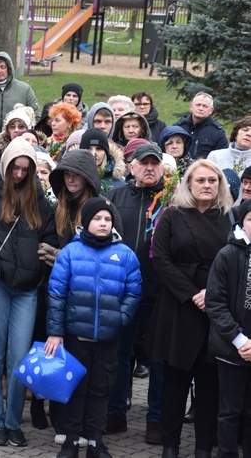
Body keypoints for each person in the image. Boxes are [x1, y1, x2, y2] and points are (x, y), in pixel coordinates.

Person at [147, 159, 233, 458]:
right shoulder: (171, 216)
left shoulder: (229, 218)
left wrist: (211, 294)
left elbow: (235, 262)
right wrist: (193, 294)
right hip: (179, 306)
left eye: (212, 180)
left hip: (216, 308)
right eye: (201, 180)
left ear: (220, 185)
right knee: (174, 382)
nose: (207, 185)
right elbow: (161, 260)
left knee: (210, 384)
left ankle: (202, 448)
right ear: (189, 184)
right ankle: (170, 446)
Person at [46, 198, 142, 458]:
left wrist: (119, 320)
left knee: (101, 389)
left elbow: (133, 292)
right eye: (97, 219)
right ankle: (71, 442)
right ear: (85, 222)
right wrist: (55, 331)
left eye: (107, 219)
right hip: (76, 335)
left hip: (108, 338)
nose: (103, 224)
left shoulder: (125, 255)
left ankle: (96, 442)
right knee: (76, 388)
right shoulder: (69, 253)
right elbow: (56, 294)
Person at [0, 137, 57, 448]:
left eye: (26, 169)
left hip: (26, 288)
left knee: (19, 358)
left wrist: (46, 254)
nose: (20, 175)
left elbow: (50, 236)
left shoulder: (40, 202)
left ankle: (13, 421)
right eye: (16, 168)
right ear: (6, 164)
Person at [103, 144, 166, 445]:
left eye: (155, 163)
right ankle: (115, 413)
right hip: (121, 291)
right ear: (132, 167)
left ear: (163, 168)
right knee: (118, 354)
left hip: (160, 293)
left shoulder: (170, 200)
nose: (149, 168)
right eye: (144, 163)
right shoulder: (115, 197)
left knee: (159, 359)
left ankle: (156, 419)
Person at [206, 198, 251, 458]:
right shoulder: (227, 254)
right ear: (242, 223)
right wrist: (240, 341)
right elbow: (215, 302)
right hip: (231, 348)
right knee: (229, 411)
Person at [0, 51, 40, 133]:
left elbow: (36, 116)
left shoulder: (25, 89)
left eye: (3, 67)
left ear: (9, 69)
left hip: (16, 140)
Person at [174, 92, 228, 159]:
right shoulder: (179, 127)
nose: (201, 108)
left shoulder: (217, 132)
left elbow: (222, 158)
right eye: (198, 105)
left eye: (205, 106)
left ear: (211, 110)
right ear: (191, 106)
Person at [80, 128, 126, 194]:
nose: (93, 154)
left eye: (99, 149)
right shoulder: (73, 179)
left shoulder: (120, 185)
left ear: (106, 153)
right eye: (88, 148)